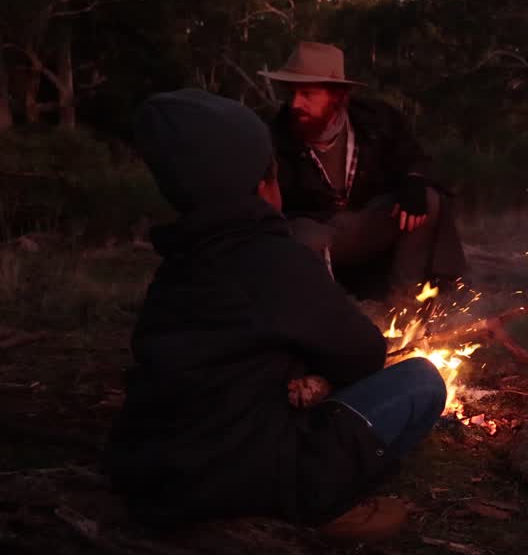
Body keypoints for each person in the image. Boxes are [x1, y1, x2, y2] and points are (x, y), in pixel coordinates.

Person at [104, 88, 447, 542]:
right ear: (263, 184)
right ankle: (333, 504)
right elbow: (363, 354)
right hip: (264, 478)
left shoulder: (176, 266)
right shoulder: (272, 258)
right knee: (422, 380)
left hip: (156, 476)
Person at [260, 41, 467, 301]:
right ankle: (326, 318)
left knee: (428, 201)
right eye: (291, 94)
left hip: (366, 226)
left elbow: (414, 157)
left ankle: (405, 310)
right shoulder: (274, 137)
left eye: (307, 94)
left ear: (336, 95)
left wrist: (413, 180)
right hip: (315, 237)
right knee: (305, 237)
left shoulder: (375, 120)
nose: (295, 104)